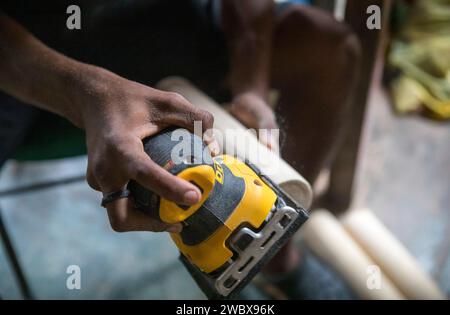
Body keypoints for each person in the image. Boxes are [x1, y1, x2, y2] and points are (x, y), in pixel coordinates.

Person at [0, 0, 360, 299]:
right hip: (25, 52)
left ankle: (273, 256)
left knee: (329, 47)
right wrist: (84, 91)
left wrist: (250, 82)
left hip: (152, 19)